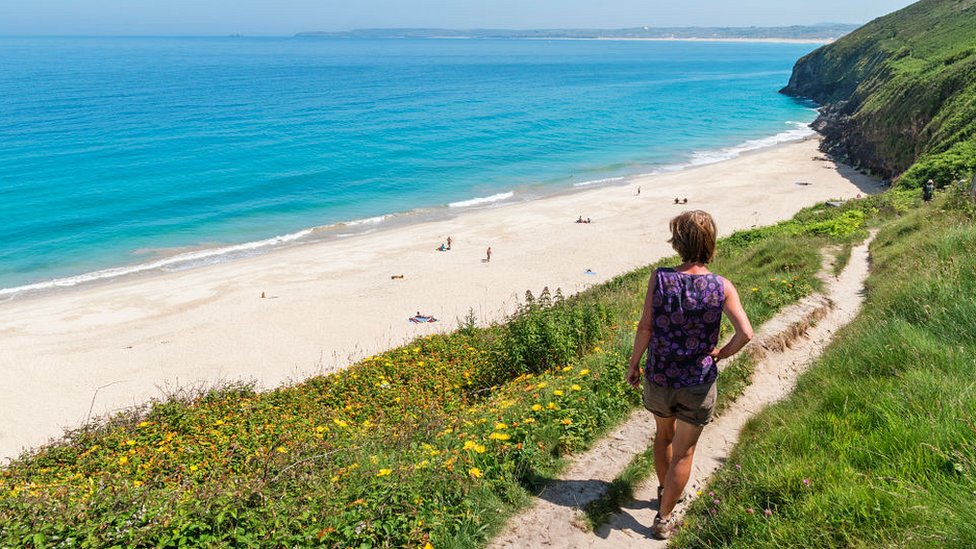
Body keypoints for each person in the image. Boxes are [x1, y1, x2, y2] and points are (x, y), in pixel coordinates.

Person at [626, 210, 753, 540]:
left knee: (663, 436)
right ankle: (665, 516)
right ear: (710, 243)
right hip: (697, 382)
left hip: (659, 376)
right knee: (684, 450)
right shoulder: (721, 286)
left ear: (678, 243)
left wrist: (634, 363)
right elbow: (746, 333)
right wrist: (721, 354)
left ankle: (662, 489)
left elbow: (645, 327)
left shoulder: (661, 278)